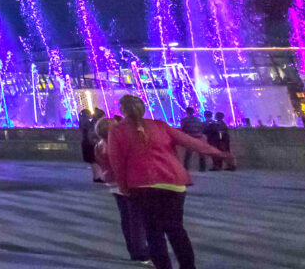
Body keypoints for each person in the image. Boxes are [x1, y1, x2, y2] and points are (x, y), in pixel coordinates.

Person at [107, 94, 229, 269]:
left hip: (142, 185)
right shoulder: (160, 125)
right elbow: (192, 143)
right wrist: (220, 154)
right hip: (173, 182)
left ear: (122, 110)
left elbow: (116, 161)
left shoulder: (117, 131)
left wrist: (124, 187)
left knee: (153, 232)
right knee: (176, 230)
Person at [94, 117, 149, 264]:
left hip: (113, 185)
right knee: (137, 219)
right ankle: (140, 251)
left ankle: (133, 249)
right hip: (126, 184)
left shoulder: (100, 145)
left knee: (127, 218)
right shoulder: (117, 146)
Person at [177, 107, 207, 172]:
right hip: (198, 137)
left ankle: (185, 168)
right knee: (201, 153)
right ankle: (202, 167)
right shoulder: (198, 120)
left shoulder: (184, 120)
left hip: (190, 138)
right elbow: (201, 128)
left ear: (186, 112)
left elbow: (182, 129)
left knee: (188, 154)